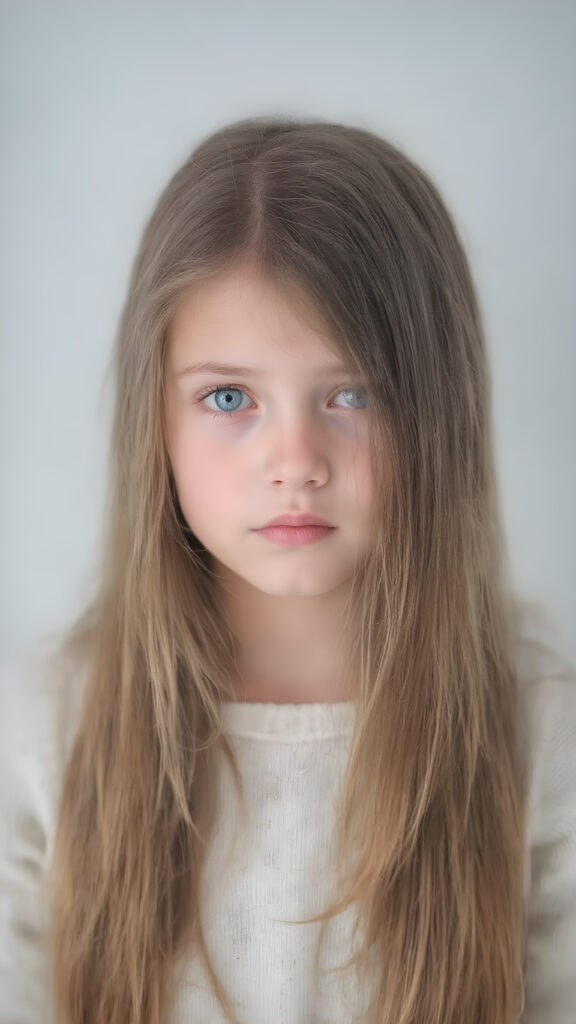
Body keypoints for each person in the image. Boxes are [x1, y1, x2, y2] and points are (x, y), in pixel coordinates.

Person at [0, 115, 575, 1024]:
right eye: (229, 397)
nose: (296, 459)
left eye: (354, 393)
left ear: (441, 414)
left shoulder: (541, 734)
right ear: (157, 420)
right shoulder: (43, 733)